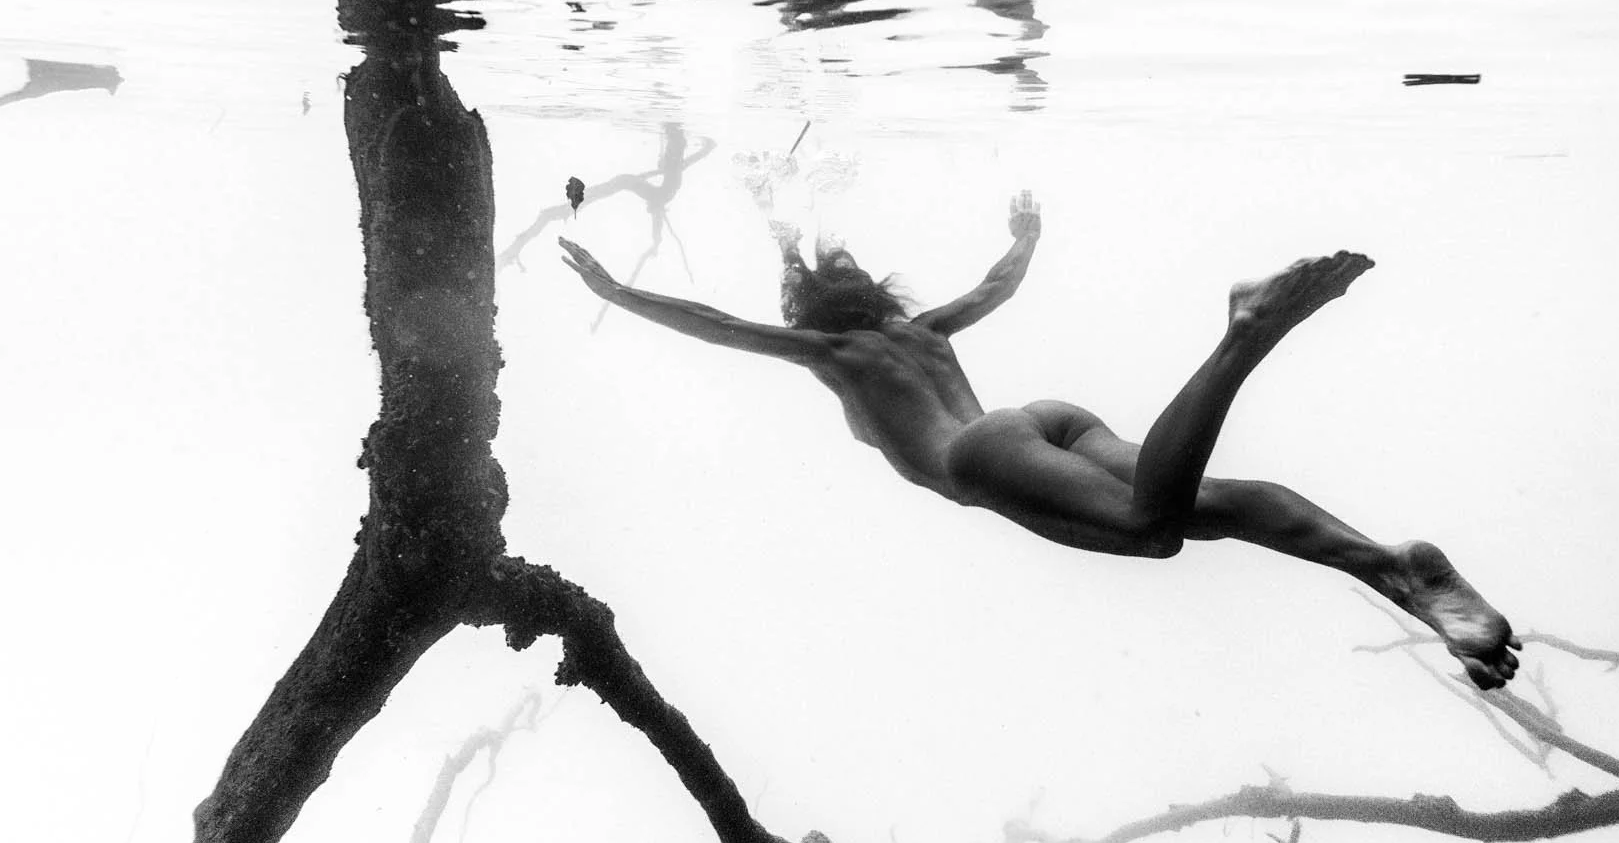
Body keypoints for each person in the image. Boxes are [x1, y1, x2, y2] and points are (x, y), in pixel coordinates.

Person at [559, 195, 1518, 687]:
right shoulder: (922, 328)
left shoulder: (834, 349)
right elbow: (1000, 285)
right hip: (1044, 418)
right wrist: (1024, 235)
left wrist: (617, 292)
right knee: (1203, 505)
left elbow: (713, 324)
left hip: (978, 456)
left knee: (1153, 530)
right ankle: (1392, 566)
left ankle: (1244, 333)